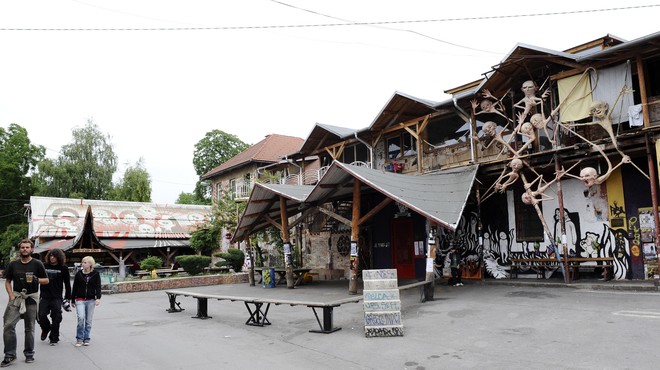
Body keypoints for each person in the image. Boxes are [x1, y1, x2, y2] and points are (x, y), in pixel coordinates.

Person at [2, 239, 49, 367]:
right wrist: (11, 295)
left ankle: (29, 354)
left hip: (31, 299)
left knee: (30, 328)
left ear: (32, 249)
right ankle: (10, 355)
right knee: (8, 325)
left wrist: (37, 279)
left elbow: (46, 280)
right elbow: (7, 281)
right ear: (20, 249)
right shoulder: (13, 264)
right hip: (17, 298)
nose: (24, 249)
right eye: (22, 247)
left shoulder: (37, 264)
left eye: (27, 247)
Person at [38, 248, 72, 346]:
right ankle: (46, 328)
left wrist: (67, 298)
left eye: (54, 256)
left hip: (57, 297)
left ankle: (54, 337)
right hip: (44, 296)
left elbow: (67, 284)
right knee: (41, 315)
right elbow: (37, 279)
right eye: (51, 256)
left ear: (59, 257)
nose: (52, 258)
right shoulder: (43, 266)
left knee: (56, 317)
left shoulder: (63, 268)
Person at [70, 256, 101, 347]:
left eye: (85, 262)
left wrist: (98, 298)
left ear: (90, 264)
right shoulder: (78, 274)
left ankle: (86, 338)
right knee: (81, 318)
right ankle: (79, 338)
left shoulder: (95, 274)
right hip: (80, 299)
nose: (82, 264)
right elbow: (74, 287)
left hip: (91, 300)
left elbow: (98, 287)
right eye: (82, 262)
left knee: (88, 321)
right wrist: (72, 300)